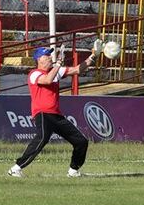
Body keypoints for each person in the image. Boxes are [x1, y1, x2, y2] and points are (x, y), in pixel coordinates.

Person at [8, 44, 96, 178]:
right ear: (39, 60)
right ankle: (16, 168)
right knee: (42, 138)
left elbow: (78, 69)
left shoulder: (55, 71)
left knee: (81, 141)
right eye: (47, 55)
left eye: (50, 55)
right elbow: (48, 80)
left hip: (56, 115)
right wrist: (58, 64)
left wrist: (93, 56)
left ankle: (73, 170)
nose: (50, 57)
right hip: (43, 113)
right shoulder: (34, 73)